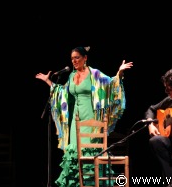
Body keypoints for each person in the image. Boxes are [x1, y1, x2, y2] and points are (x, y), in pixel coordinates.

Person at [35, 46, 133, 186]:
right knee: (75, 150)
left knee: (89, 149)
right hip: (76, 120)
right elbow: (62, 92)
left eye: (77, 58)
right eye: (72, 58)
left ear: (85, 58)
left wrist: (120, 72)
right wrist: (48, 82)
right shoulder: (71, 76)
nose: (74, 61)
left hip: (91, 118)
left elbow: (111, 84)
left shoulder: (94, 74)